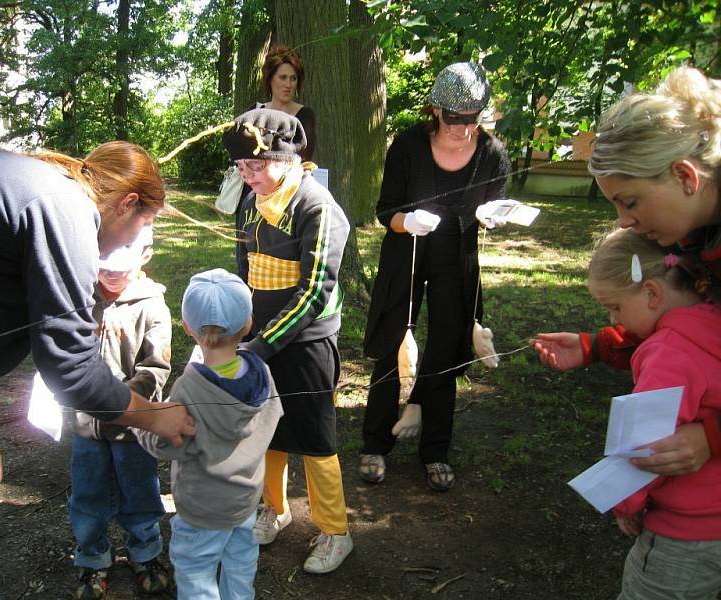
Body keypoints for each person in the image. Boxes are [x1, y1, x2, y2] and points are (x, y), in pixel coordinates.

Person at [0, 141, 194, 600]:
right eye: (142, 225)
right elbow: (69, 366)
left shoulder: (33, 185)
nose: (132, 242)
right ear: (127, 203)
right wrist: (155, 415)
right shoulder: (65, 208)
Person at [530, 65, 721, 477]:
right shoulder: (689, 239)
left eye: (630, 202)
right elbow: (691, 331)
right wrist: (594, 347)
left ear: (684, 177)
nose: (623, 223)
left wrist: (711, 436)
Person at [359, 61, 510, 491]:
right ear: (436, 111)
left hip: (456, 253)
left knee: (447, 345)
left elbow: (496, 204)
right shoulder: (408, 145)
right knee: (393, 338)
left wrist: (492, 216)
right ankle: (376, 442)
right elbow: (385, 210)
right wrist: (407, 220)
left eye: (473, 119)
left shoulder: (491, 152)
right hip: (407, 246)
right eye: (455, 118)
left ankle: (435, 448)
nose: (464, 129)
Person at [221, 108, 353, 573]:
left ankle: (336, 530)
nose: (248, 175)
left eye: (256, 166)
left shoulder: (317, 207)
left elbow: (315, 290)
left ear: (287, 157)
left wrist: (263, 344)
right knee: (266, 427)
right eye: (241, 167)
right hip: (261, 334)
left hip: (307, 340)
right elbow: (244, 264)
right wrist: (243, 324)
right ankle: (273, 507)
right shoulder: (251, 200)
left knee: (316, 435)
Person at [584, 227, 721, 599]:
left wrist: (625, 503)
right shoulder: (712, 322)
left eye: (614, 307)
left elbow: (644, 446)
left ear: (652, 293)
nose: (614, 320)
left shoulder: (668, 355)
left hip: (684, 538)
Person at [135, 268, 283, 600]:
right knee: (241, 566)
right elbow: (273, 416)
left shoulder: (190, 387)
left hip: (202, 509)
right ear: (248, 324)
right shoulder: (262, 372)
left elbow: (168, 441)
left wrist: (140, 422)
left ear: (187, 328)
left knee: (196, 573)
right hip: (245, 502)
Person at [67, 225, 172, 599]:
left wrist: (119, 402)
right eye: (103, 267)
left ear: (145, 256)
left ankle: (145, 553)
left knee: (140, 489)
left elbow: (156, 367)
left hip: (133, 427)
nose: (110, 274)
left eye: (119, 269)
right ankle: (92, 558)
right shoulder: (79, 296)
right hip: (85, 426)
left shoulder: (152, 305)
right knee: (88, 493)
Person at [248, 44, 316, 162]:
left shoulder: (305, 115)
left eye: (293, 78)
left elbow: (304, 159)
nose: (288, 85)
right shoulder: (255, 111)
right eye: (283, 77)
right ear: (270, 79)